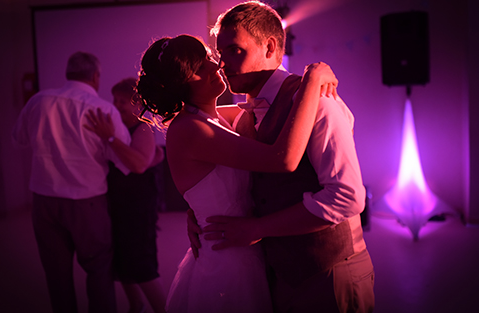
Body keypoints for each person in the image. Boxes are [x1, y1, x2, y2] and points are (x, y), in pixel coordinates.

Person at [186, 2, 375, 313]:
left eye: (234, 50)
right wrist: (198, 212)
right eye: (220, 53)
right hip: (279, 274)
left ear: (270, 46)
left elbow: (347, 197)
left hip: (331, 272)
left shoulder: (318, 101)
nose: (222, 64)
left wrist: (258, 228)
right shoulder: (244, 115)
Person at [136, 33, 338, 313]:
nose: (213, 66)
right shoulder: (189, 129)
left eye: (207, 58)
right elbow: (283, 159)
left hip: (245, 248)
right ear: (178, 87)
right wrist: (311, 81)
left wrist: (195, 209)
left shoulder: (216, 117)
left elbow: (262, 108)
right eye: (197, 69)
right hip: (227, 261)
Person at [11, 51, 131, 313]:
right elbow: (123, 157)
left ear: (67, 73)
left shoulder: (38, 101)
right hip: (88, 203)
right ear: (95, 77)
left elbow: (19, 139)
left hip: (44, 202)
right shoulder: (103, 109)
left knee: (56, 275)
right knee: (99, 270)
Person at [84, 77, 167, 313]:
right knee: (121, 261)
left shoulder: (143, 127)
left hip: (137, 207)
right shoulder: (116, 124)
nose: (117, 105)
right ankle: (136, 306)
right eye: (115, 100)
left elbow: (139, 165)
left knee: (141, 263)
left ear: (139, 105)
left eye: (123, 101)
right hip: (116, 203)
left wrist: (109, 137)